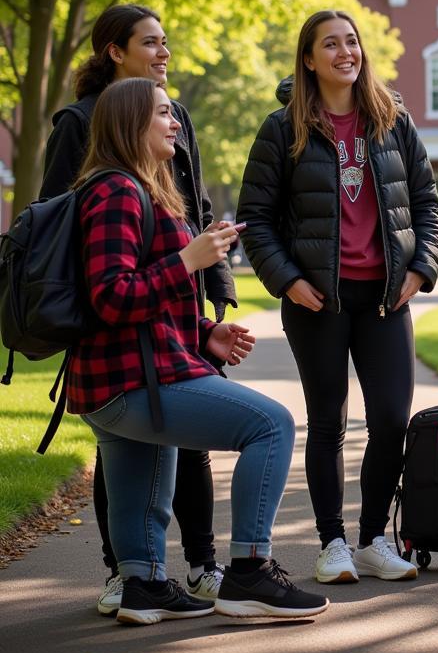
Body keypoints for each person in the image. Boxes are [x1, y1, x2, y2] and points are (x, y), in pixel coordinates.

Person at [72, 77, 326, 624]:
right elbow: (112, 296)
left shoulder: (137, 187)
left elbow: (145, 302)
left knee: (145, 473)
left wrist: (203, 330)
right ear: (130, 123)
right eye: (163, 113)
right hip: (135, 380)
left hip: (129, 376)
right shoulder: (115, 191)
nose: (175, 122)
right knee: (272, 425)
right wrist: (188, 260)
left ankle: (143, 585)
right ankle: (250, 572)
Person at [39, 4, 237, 616]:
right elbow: (57, 218)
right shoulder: (79, 123)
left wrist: (216, 280)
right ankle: (125, 574)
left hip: (179, 299)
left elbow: (193, 206)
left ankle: (202, 566)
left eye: (166, 41)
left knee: (188, 444)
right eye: (149, 42)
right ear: (114, 52)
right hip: (116, 311)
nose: (163, 52)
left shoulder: (176, 118)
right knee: (125, 443)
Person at [237, 9, 438, 586]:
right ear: (309, 59)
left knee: (392, 420)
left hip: (386, 298)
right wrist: (288, 281)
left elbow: (427, 204)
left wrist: (419, 270)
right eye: (331, 44)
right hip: (317, 302)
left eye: (351, 41)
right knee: (328, 424)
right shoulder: (283, 128)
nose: (344, 52)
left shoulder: (392, 121)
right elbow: (255, 218)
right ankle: (333, 543)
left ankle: (375, 538)